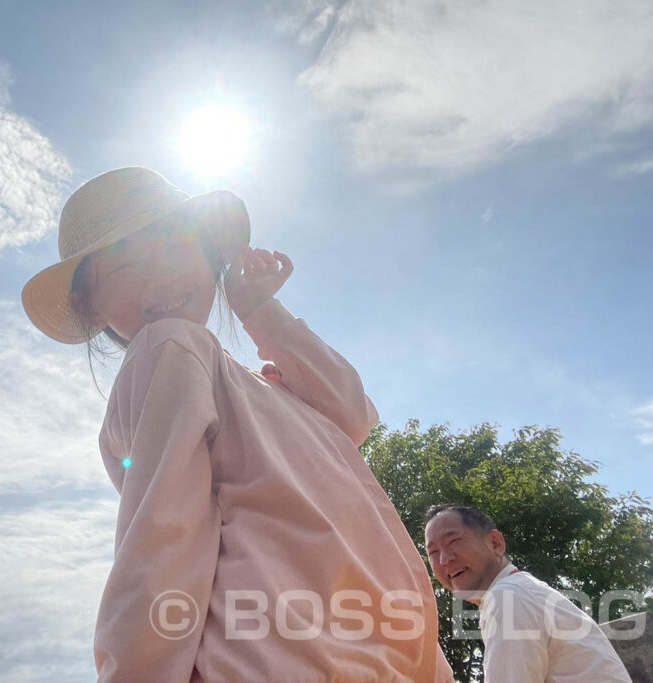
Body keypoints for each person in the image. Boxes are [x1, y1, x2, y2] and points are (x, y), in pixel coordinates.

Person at [23, 167, 453, 681]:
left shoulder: (260, 384)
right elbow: (162, 540)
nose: (158, 274)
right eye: (124, 267)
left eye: (174, 246)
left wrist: (257, 307)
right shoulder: (170, 349)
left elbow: (352, 415)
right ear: (90, 307)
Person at [423, 504, 631, 682]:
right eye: (433, 552)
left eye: (453, 541)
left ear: (495, 543)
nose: (444, 559)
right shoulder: (520, 590)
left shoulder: (507, 596)